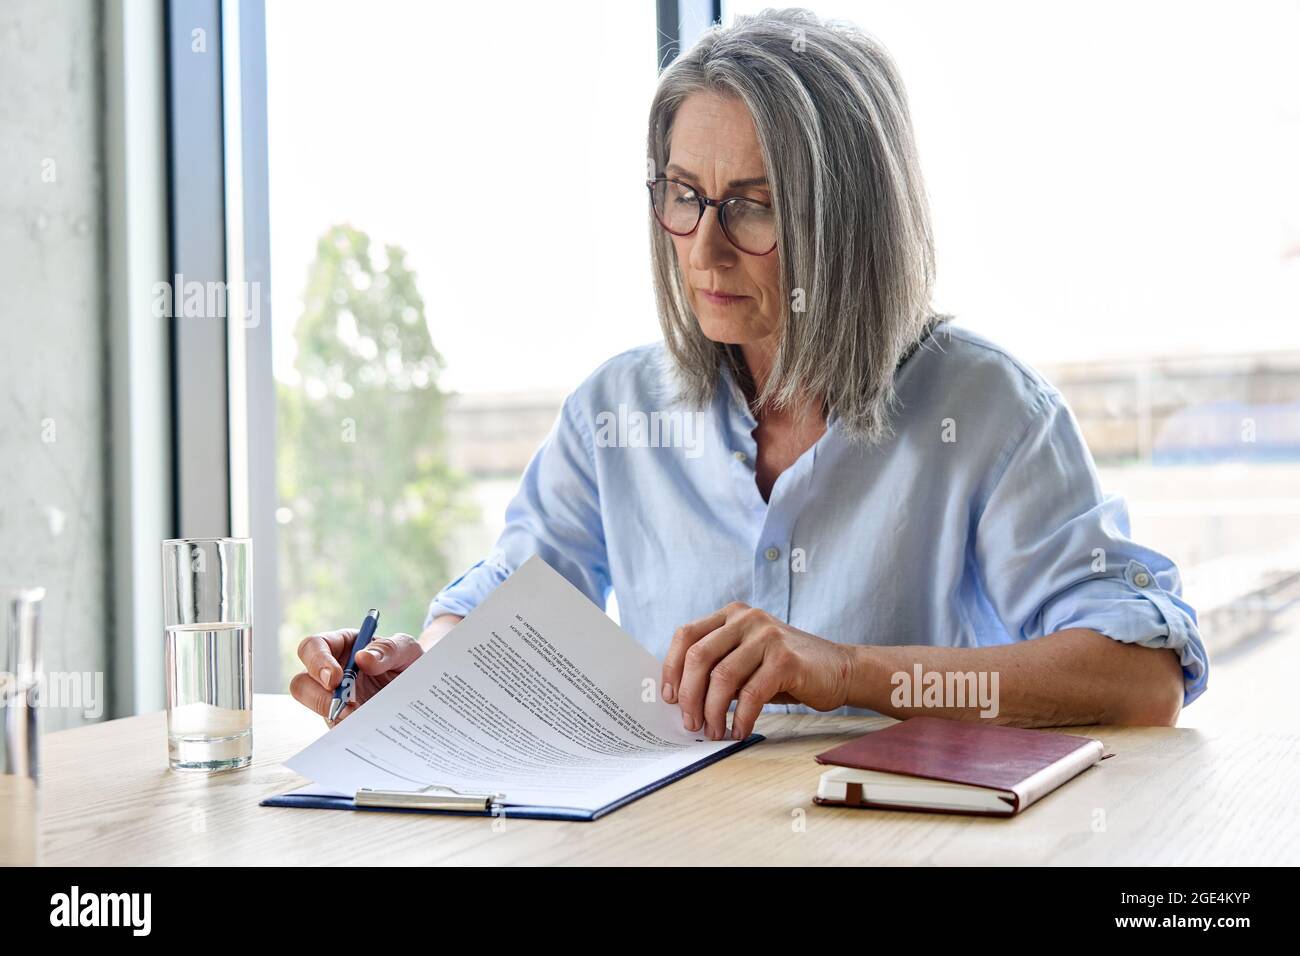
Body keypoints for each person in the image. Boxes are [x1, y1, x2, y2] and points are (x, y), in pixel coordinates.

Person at [291, 8, 1207, 740]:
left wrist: (843, 671)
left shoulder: (990, 411)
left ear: (849, 222)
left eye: (753, 207)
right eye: (684, 195)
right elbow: (510, 598)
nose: (706, 248)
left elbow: (1139, 677)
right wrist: (423, 668)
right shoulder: (616, 410)